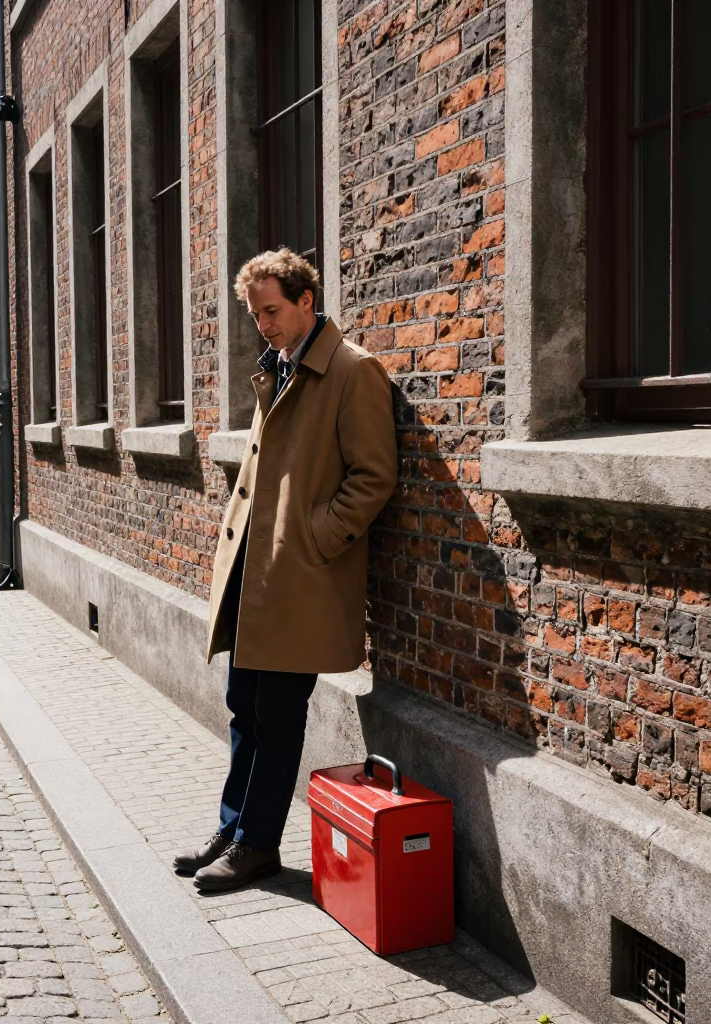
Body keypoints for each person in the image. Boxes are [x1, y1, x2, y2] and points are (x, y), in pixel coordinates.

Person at [173, 249, 398, 893]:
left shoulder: (352, 371)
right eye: (255, 314)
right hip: (256, 574)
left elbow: (373, 476)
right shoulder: (277, 367)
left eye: (271, 311)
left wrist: (312, 539)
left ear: (306, 300)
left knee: (278, 716)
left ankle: (259, 844)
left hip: (297, 578)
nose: (262, 325)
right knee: (243, 707)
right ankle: (233, 826)